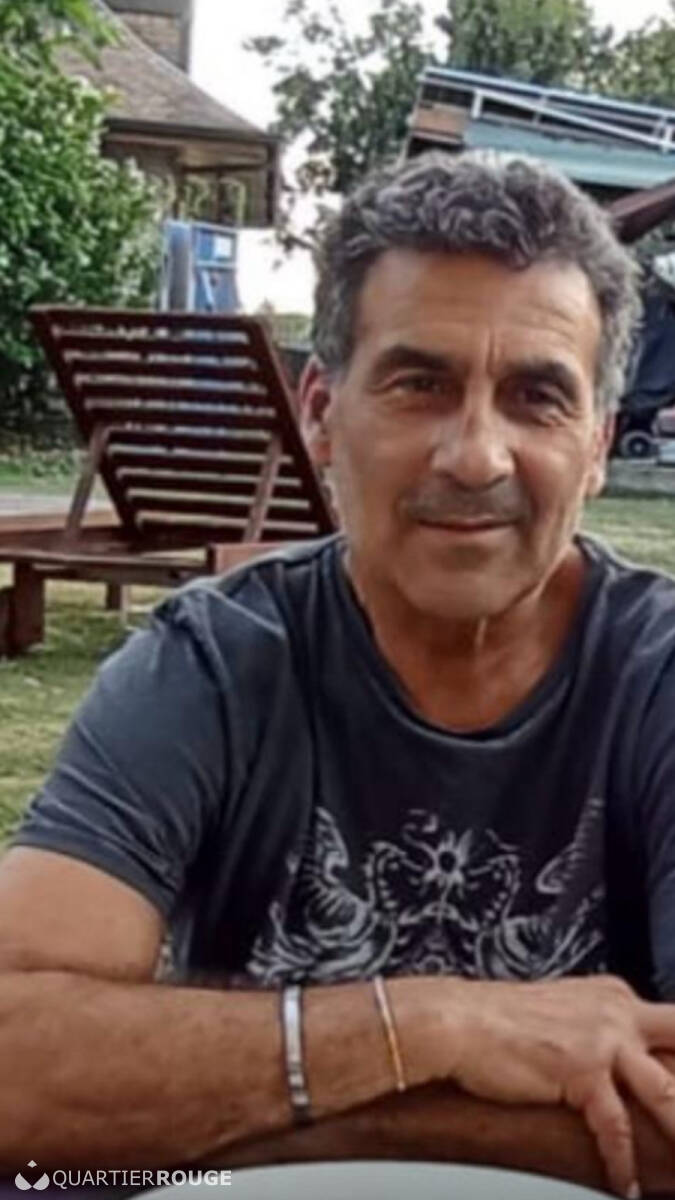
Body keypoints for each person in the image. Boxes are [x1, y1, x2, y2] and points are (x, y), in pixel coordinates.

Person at [3, 149, 675, 1199]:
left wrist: (216, 1110)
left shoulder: (657, 678)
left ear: (596, 446)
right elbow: (15, 1063)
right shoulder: (210, 664)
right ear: (321, 411)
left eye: (536, 397)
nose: (475, 456)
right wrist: (433, 1026)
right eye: (419, 384)